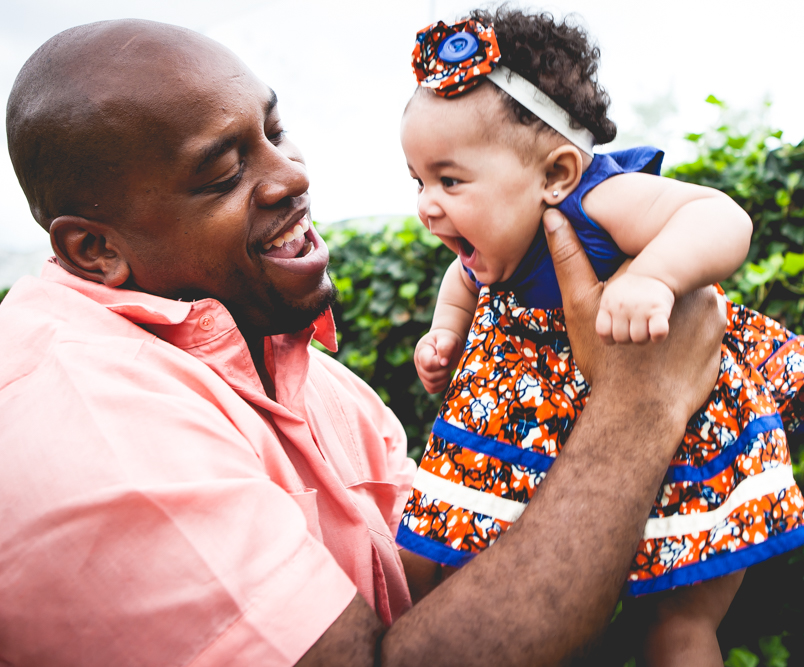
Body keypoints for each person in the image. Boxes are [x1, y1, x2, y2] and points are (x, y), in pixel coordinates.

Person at [0, 18, 729, 666]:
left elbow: (465, 586)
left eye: (275, 132)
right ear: (95, 248)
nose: (292, 176)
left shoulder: (316, 379)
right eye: (224, 172)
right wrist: (639, 405)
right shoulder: (89, 420)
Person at [402, 9, 804, 665]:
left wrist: (655, 276)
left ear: (556, 173)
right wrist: (445, 332)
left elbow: (719, 216)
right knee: (433, 557)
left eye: (450, 179)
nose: (427, 204)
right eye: (418, 180)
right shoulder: (491, 244)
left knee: (677, 624)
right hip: (556, 436)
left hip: (678, 425)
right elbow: (461, 281)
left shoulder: (598, 201)